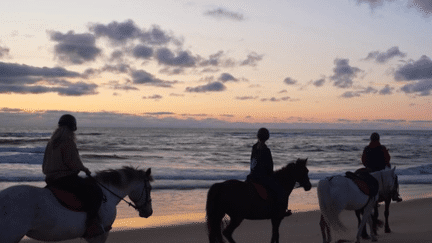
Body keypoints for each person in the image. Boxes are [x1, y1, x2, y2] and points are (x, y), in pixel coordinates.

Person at [43, 114, 105, 238]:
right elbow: (73, 163)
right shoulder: (68, 142)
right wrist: (85, 169)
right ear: (73, 128)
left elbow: (45, 163)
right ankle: (92, 223)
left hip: (50, 179)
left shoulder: (51, 142)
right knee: (96, 192)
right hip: (65, 179)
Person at [247, 128, 291, 218]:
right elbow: (269, 166)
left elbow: (252, 162)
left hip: (252, 175)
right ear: (267, 137)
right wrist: (271, 174)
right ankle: (281, 210)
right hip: (262, 177)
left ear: (258, 136)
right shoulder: (266, 150)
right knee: (279, 189)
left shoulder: (254, 147)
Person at [361, 132, 402, 202]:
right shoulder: (382, 148)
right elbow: (388, 159)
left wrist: (368, 165)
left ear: (370, 139)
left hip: (370, 170)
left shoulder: (366, 148)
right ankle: (395, 194)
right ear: (379, 139)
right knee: (395, 177)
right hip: (382, 169)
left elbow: (363, 161)